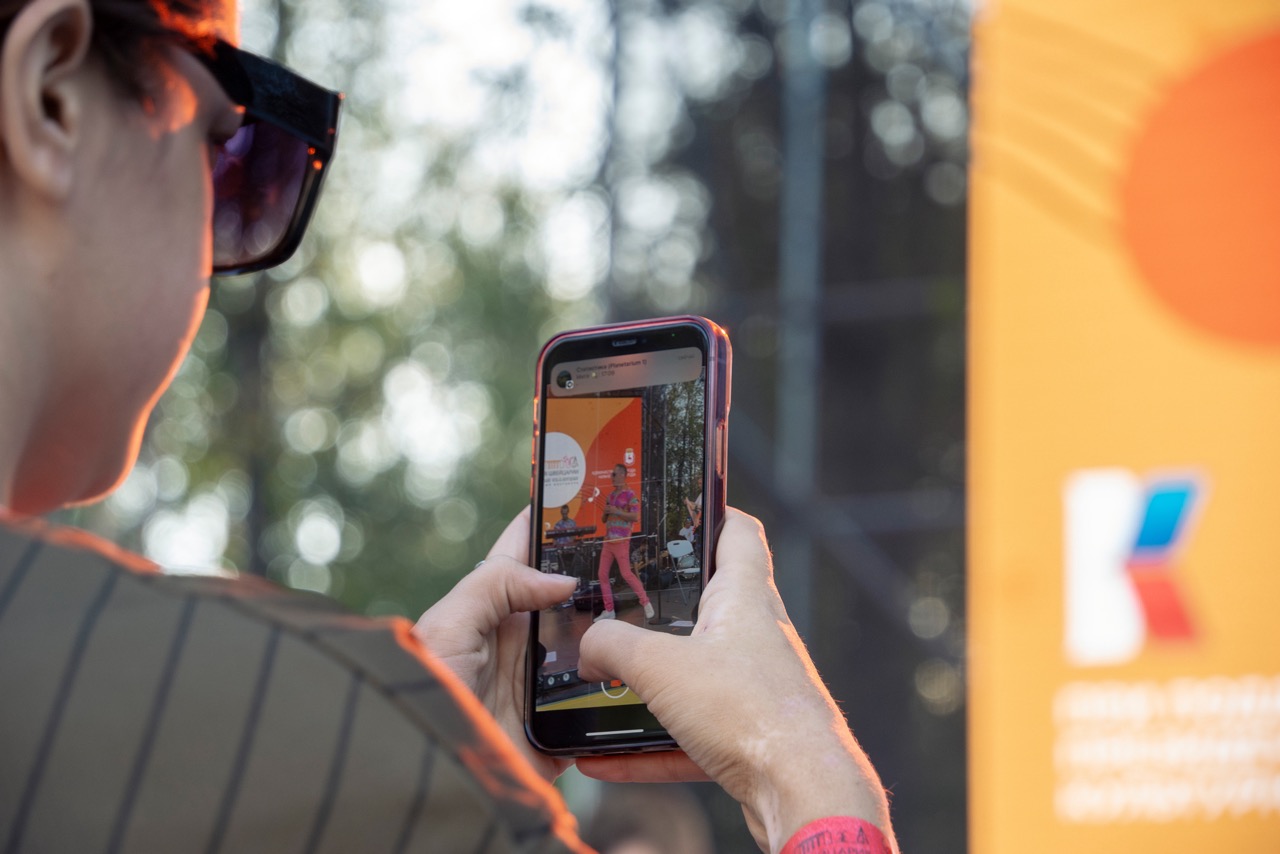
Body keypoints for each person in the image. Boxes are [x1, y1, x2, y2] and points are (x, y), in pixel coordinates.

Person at [0, 0, 899, 852]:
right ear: (51, 94)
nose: (219, 243)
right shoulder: (262, 719)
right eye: (229, 148)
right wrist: (805, 774)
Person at [595, 464, 653, 623]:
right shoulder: (610, 496)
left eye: (614, 474)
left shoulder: (630, 495)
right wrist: (606, 513)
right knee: (602, 574)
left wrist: (616, 511)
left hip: (621, 541)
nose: (611, 477)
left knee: (626, 573)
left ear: (622, 475)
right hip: (608, 541)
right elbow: (604, 520)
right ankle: (609, 610)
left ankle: (645, 602)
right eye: (611, 474)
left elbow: (635, 517)